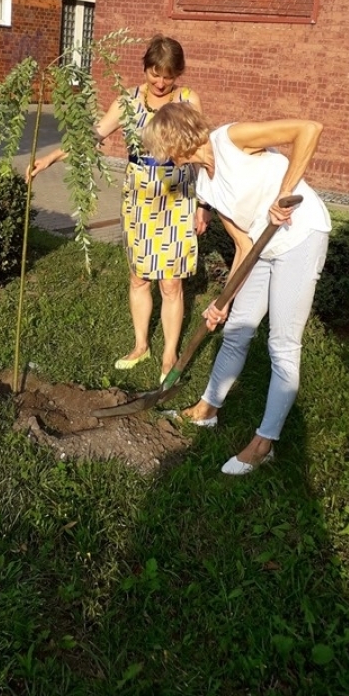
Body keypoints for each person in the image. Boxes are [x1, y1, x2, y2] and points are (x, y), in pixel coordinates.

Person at [141, 105, 331, 475]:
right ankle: (207, 409)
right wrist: (221, 302)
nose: (160, 158)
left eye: (160, 148)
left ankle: (264, 442)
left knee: (282, 343)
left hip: (302, 236)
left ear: (175, 141)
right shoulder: (205, 184)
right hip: (263, 247)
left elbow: (308, 128)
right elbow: (243, 246)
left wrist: (285, 192)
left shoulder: (231, 139)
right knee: (236, 329)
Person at [26, 36, 206, 381]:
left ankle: (169, 355)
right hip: (139, 199)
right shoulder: (129, 101)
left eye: (168, 75)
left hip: (177, 198)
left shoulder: (187, 100)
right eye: (155, 74)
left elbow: (202, 151)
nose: (161, 82)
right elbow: (93, 134)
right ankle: (141, 345)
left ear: (177, 74)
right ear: (146, 68)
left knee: (171, 284)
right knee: (139, 277)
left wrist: (205, 205)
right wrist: (50, 157)